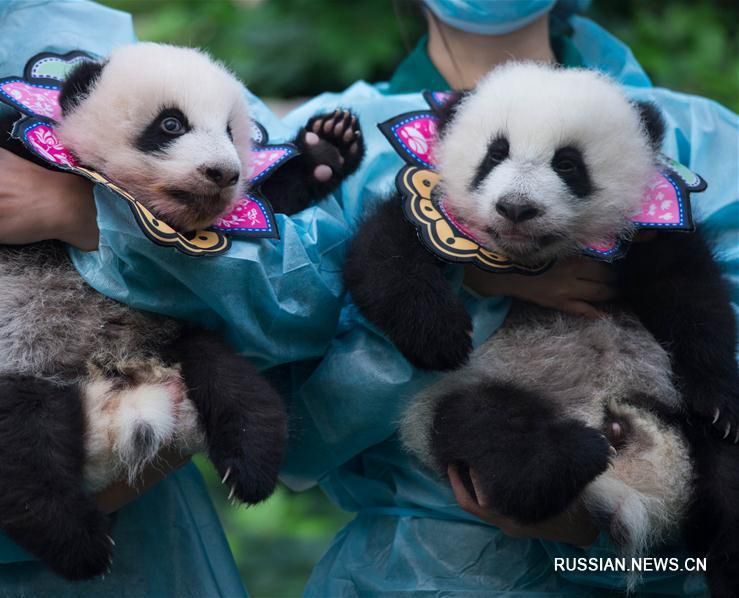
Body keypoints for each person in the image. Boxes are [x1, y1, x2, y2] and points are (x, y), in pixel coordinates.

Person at [283, 1, 737, 595]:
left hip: (664, 557)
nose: (519, 198)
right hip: (418, 569)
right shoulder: (336, 141)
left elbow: (707, 341)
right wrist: (474, 285)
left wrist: (604, 542)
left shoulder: (706, 141)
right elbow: (295, 439)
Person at [0, 1, 245, 595]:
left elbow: (280, 270)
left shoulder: (86, 30)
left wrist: (84, 213)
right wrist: (42, 479)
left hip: (145, 532)